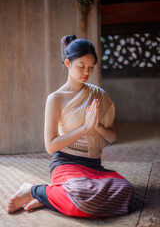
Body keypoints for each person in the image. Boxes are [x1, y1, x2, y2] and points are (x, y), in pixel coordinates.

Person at [7, 35, 133, 217]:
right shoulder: (56, 98)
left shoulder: (99, 95)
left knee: (125, 190)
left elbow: (112, 137)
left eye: (90, 68)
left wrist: (96, 125)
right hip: (66, 164)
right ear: (68, 63)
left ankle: (48, 198)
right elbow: (50, 146)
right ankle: (33, 190)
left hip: (93, 166)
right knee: (81, 197)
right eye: (81, 66)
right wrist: (84, 128)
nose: (86, 72)